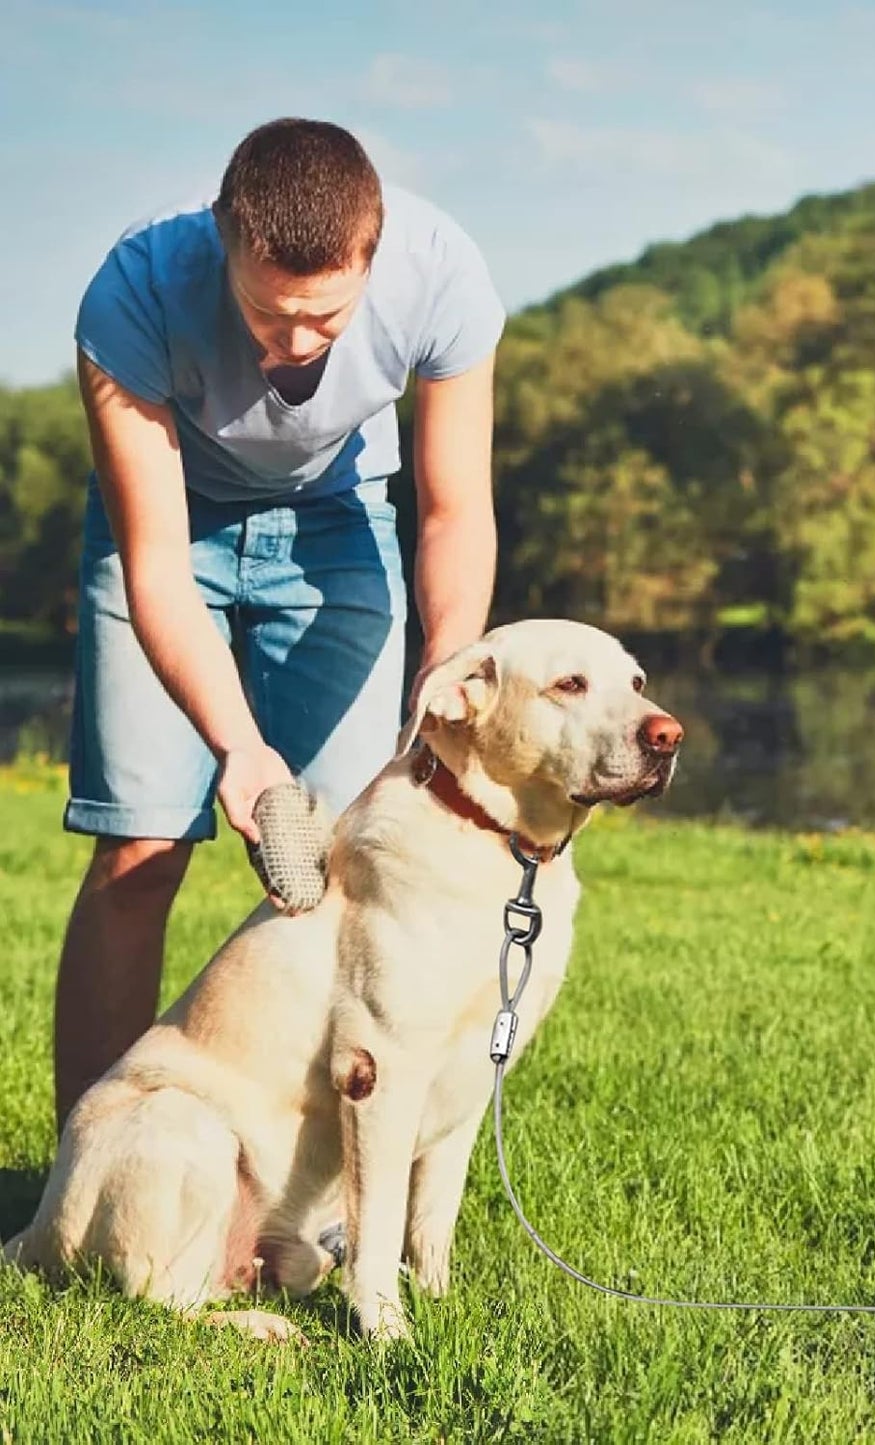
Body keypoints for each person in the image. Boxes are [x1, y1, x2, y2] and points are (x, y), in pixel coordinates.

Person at [55, 117, 504, 1131]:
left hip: (341, 527)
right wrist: (239, 748)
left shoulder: (442, 278)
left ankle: (320, 1198)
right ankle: (80, 1178)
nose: (294, 345)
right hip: (172, 530)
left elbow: (453, 510)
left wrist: (450, 662)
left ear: (372, 254)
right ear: (224, 238)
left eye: (325, 317)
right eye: (268, 313)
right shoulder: (131, 292)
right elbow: (156, 560)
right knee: (140, 852)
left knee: (351, 860)